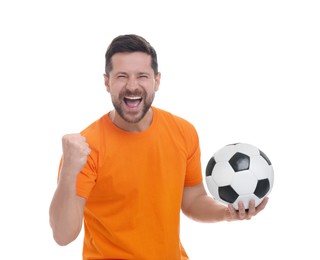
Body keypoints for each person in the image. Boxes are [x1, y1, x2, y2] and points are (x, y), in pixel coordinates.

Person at [49, 34, 268, 260]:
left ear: (157, 80)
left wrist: (227, 213)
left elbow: (192, 200)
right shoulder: (87, 148)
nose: (132, 86)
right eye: (122, 76)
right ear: (107, 82)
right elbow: (63, 235)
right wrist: (68, 172)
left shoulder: (183, 132)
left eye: (142, 76)